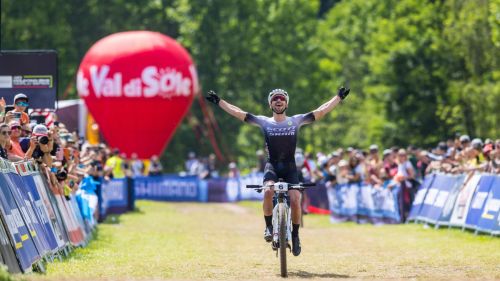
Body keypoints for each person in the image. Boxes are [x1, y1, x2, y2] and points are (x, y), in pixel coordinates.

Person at [205, 86, 350, 256]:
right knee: (268, 192)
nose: (278, 100)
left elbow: (321, 111)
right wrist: (220, 102)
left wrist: (338, 98)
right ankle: (268, 227)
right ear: (270, 104)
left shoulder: (296, 120)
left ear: (286, 103)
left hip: (290, 168)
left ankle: (295, 236)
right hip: (272, 166)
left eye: (281, 98)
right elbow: (238, 112)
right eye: (274, 99)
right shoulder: (264, 122)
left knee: (296, 198)